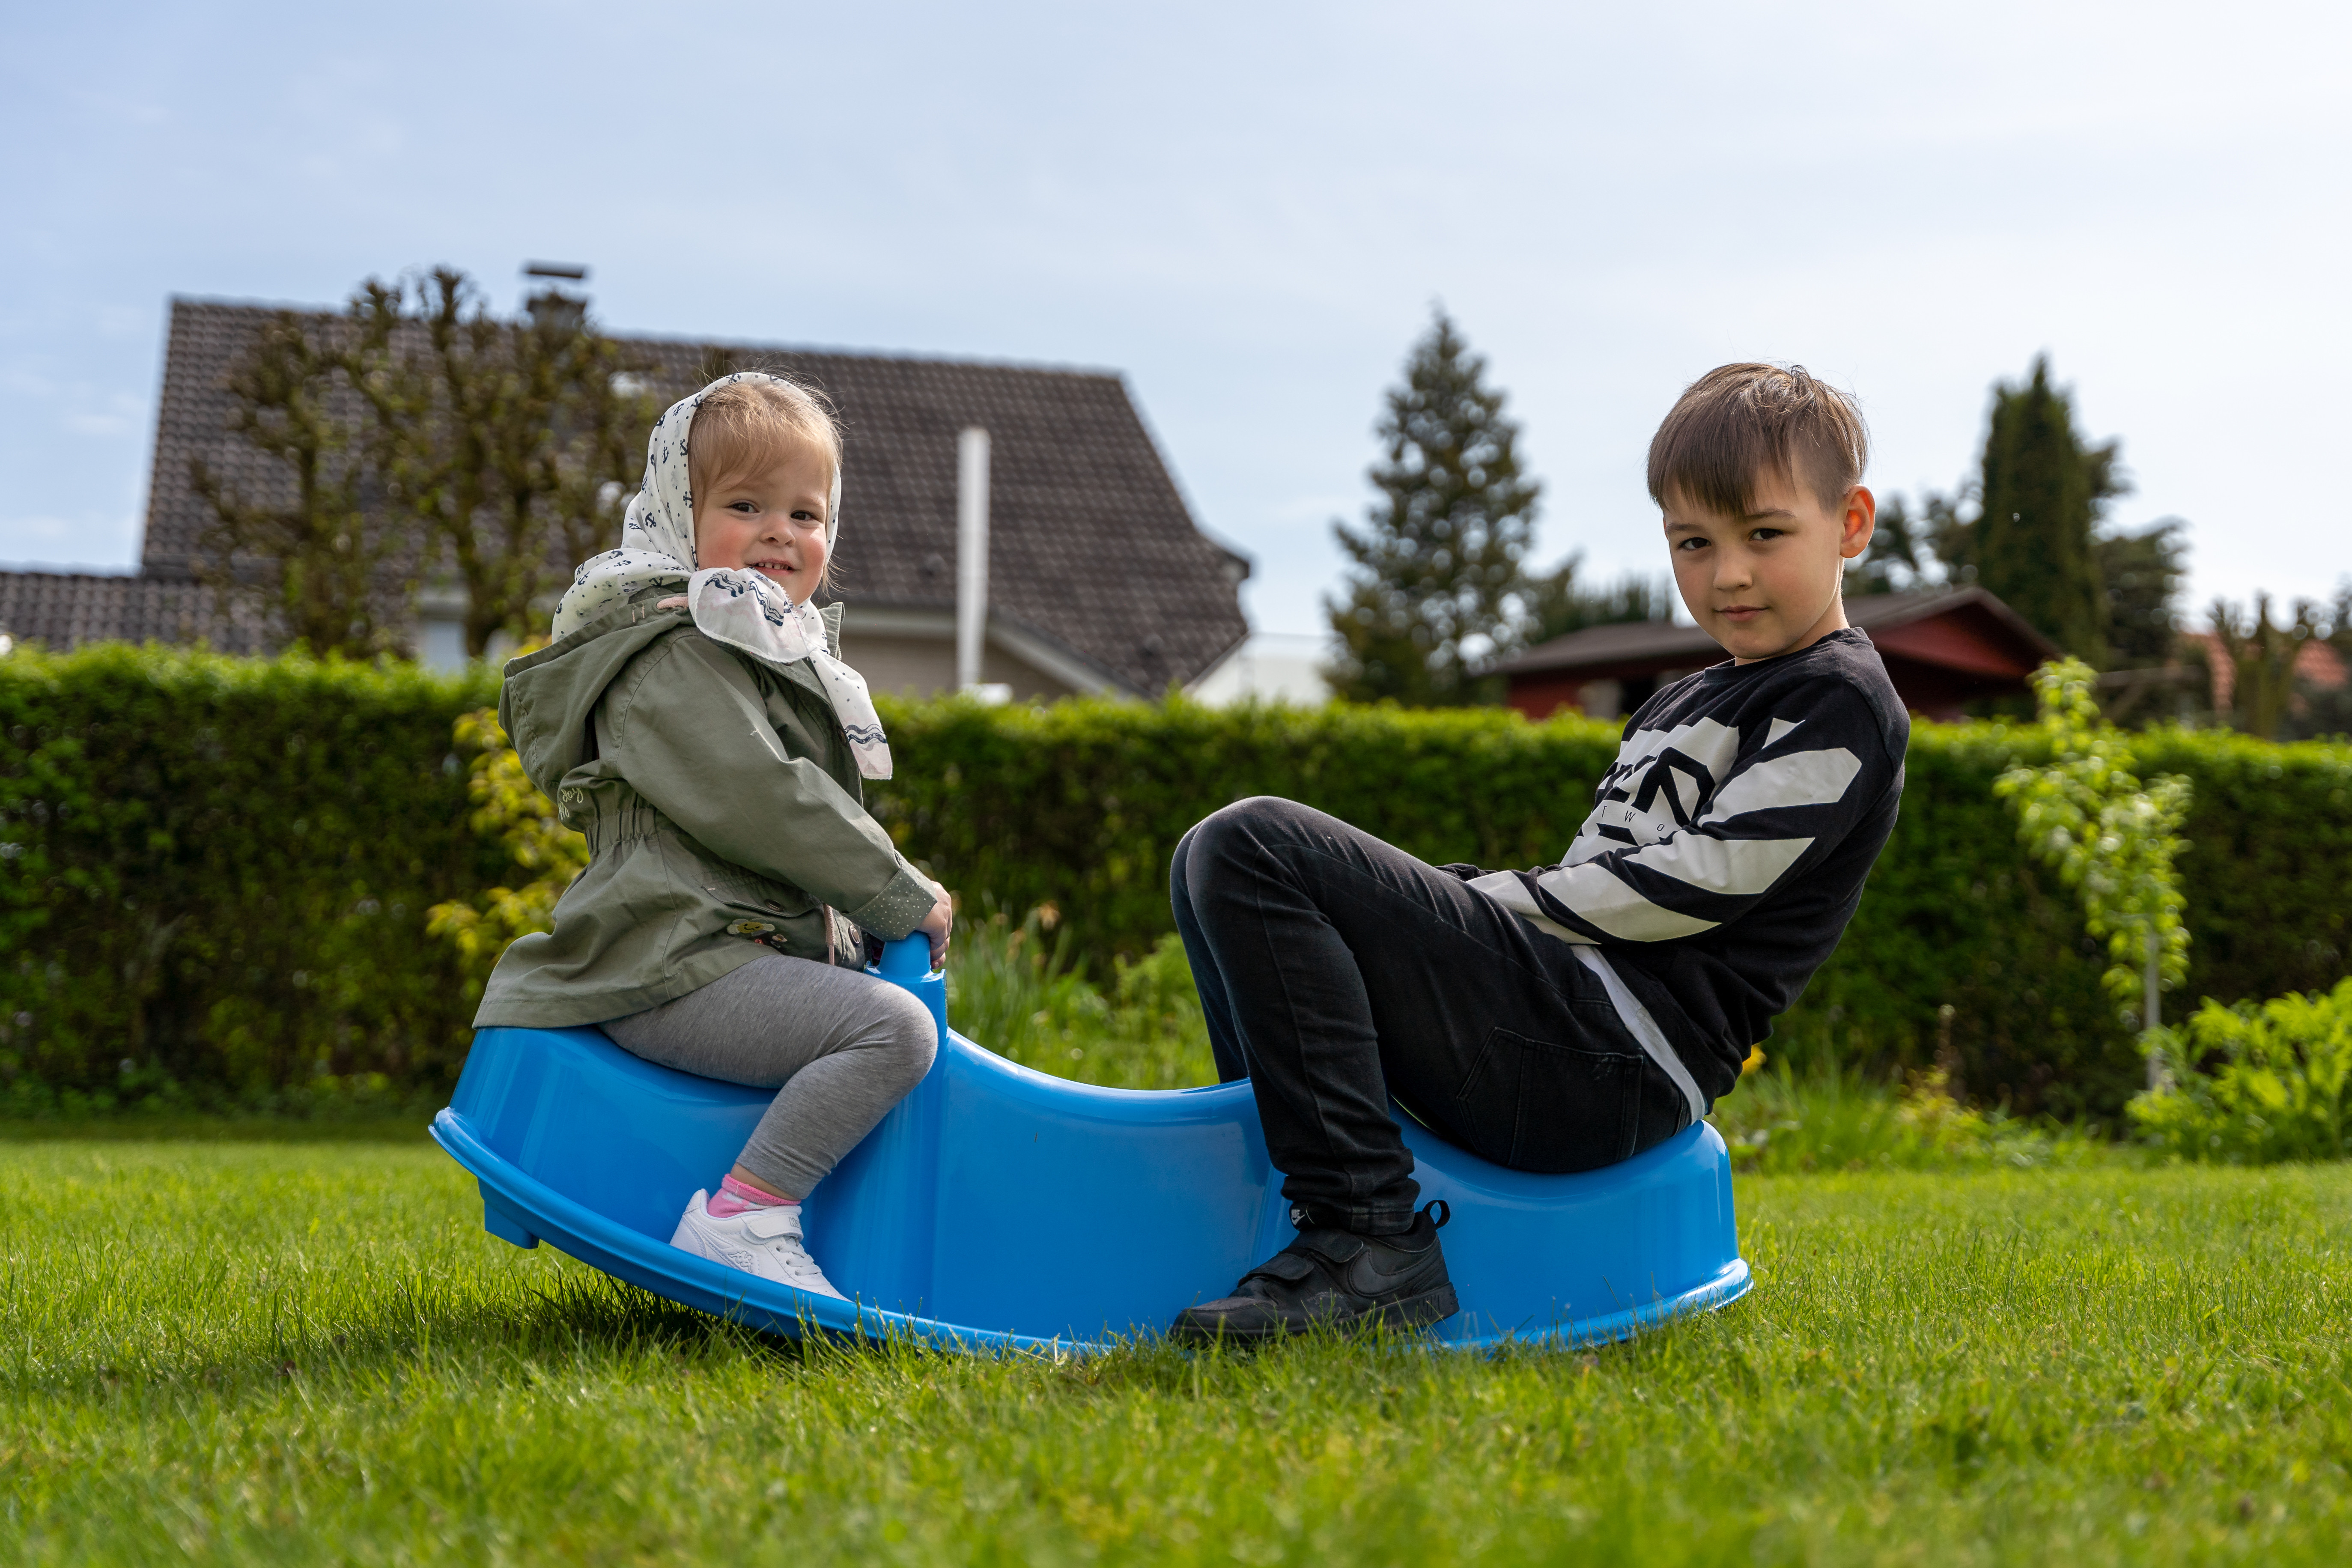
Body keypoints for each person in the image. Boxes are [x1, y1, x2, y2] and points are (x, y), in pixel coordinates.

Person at [1166, 363, 1909, 1342]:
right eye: (1693, 542)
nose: (1726, 573)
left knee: (1255, 842)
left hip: (1618, 1062)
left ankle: (1369, 1240)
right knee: (1207, 855)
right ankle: (1292, 1195)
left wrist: (1484, 901)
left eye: (1763, 535)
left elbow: (1707, 879)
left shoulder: (1838, 696)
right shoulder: (1679, 700)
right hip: (1562, 1016)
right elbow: (1589, 878)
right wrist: (1459, 903)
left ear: (1848, 524)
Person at [473, 373, 952, 1300]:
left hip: (714, 950)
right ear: (675, 513)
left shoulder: (759, 650)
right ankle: (742, 1222)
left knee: (884, 1006)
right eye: (744, 506)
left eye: (805, 514)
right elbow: (764, 800)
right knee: (890, 1030)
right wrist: (898, 892)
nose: (780, 532)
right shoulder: (671, 654)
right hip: (668, 957)